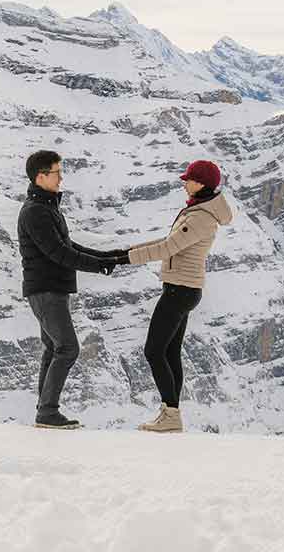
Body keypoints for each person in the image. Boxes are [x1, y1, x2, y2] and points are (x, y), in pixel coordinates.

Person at [120, 159, 232, 434]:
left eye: (189, 179)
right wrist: (126, 251)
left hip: (179, 291)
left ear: (202, 183)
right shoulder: (199, 209)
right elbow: (166, 243)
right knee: (170, 352)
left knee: (154, 350)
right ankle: (171, 412)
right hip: (183, 288)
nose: (184, 182)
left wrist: (125, 259)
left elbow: (168, 248)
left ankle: (170, 413)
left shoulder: (200, 217)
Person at [17, 149, 127, 429]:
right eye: (56, 172)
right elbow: (59, 254)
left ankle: (44, 410)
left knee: (53, 347)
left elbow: (68, 245)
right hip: (46, 290)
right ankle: (47, 412)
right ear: (41, 176)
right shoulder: (36, 212)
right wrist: (98, 266)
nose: (61, 178)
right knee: (67, 348)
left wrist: (106, 256)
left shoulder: (47, 207)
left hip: (52, 289)